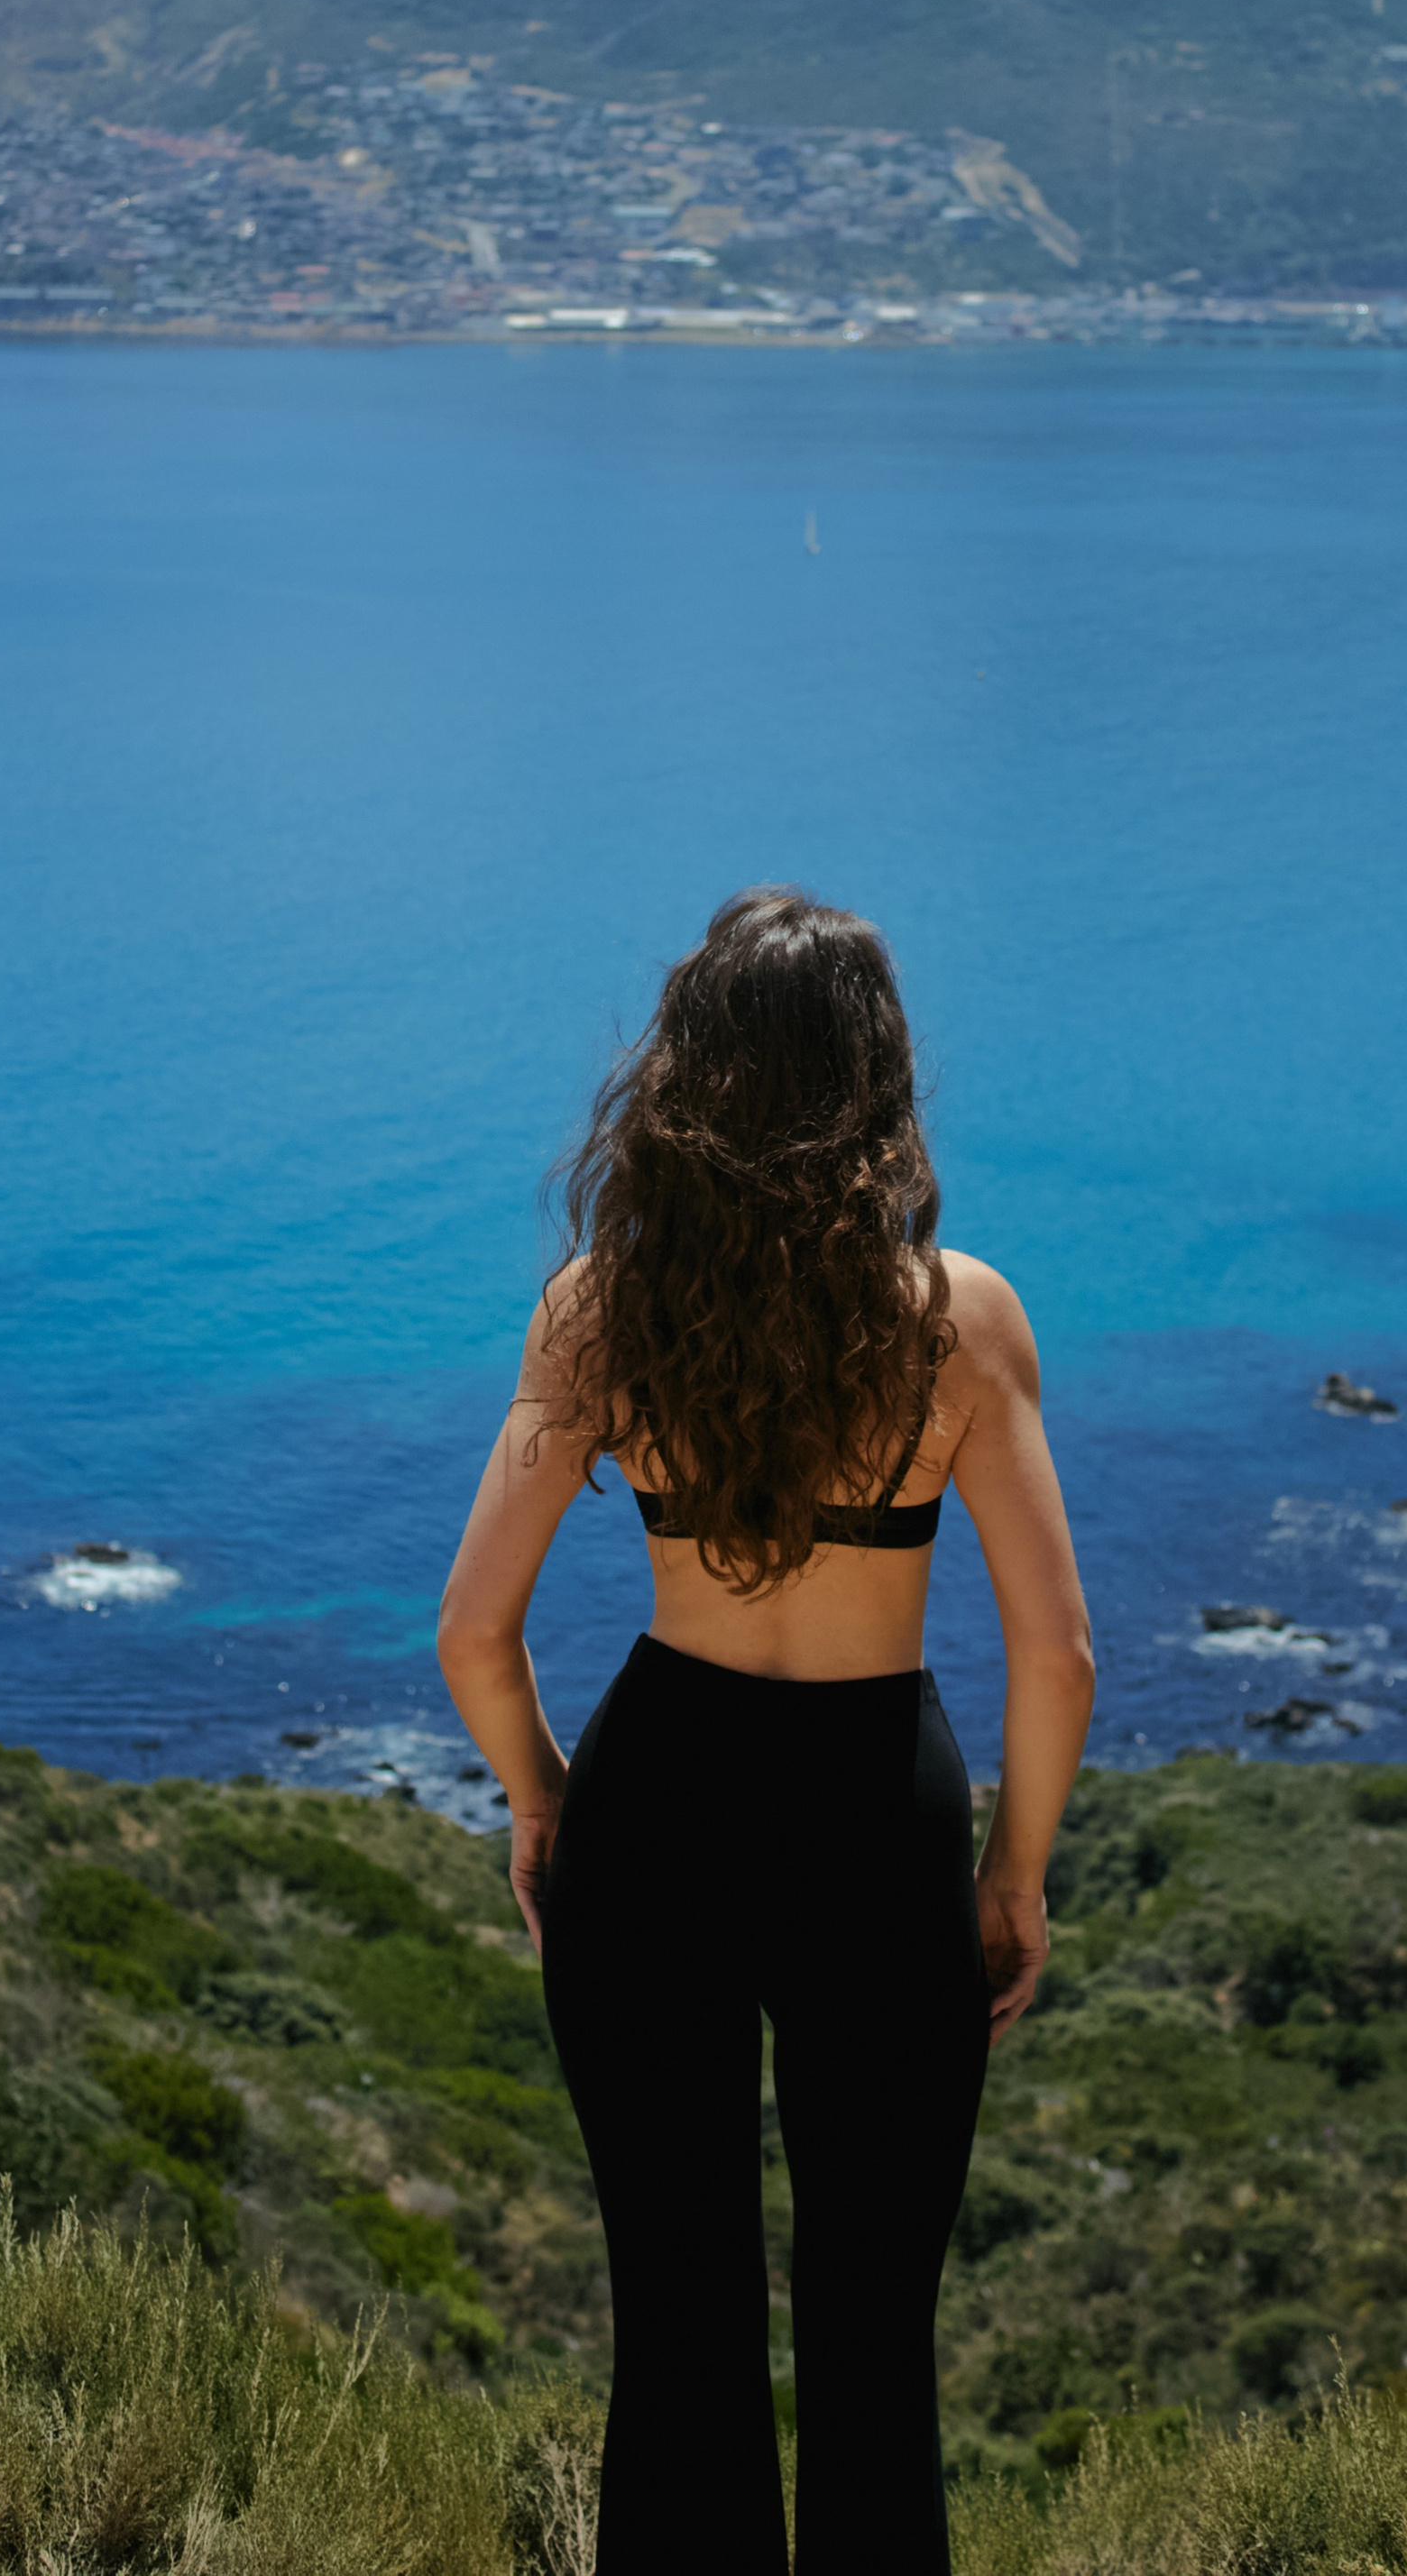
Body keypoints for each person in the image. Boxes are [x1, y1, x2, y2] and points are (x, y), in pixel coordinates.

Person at [438, 887, 1093, 2576]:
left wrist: (544, 1805)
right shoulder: (963, 1320)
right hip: (879, 1823)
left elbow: (472, 1633)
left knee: (679, 2335)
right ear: (876, 1080)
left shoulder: (598, 1314)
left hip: (655, 1810)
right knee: (875, 2350)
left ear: (684, 1076)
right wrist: (1013, 1879)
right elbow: (1059, 1655)